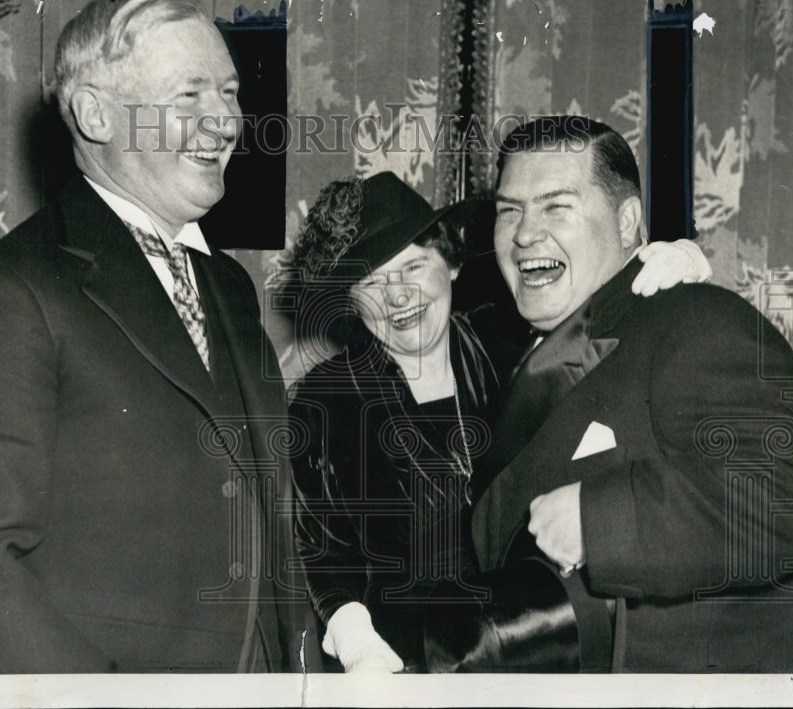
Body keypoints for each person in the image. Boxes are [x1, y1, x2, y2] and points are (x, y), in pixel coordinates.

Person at [0, 0, 314, 673]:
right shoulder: (11, 292)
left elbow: (266, 517)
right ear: (96, 114)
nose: (226, 121)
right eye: (190, 96)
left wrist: (315, 653)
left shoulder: (229, 287)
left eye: (228, 92)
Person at [279, 170, 711, 673]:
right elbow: (324, 547)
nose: (397, 297)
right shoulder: (328, 397)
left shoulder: (509, 349)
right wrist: (356, 643)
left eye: (414, 267)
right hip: (399, 661)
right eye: (371, 282)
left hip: (532, 643)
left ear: (451, 264)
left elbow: (603, 330)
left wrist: (673, 273)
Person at [471, 116, 793, 672]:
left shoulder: (696, 320)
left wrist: (598, 522)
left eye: (556, 205)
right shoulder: (519, 345)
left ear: (628, 223)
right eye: (510, 210)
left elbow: (784, 501)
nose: (525, 233)